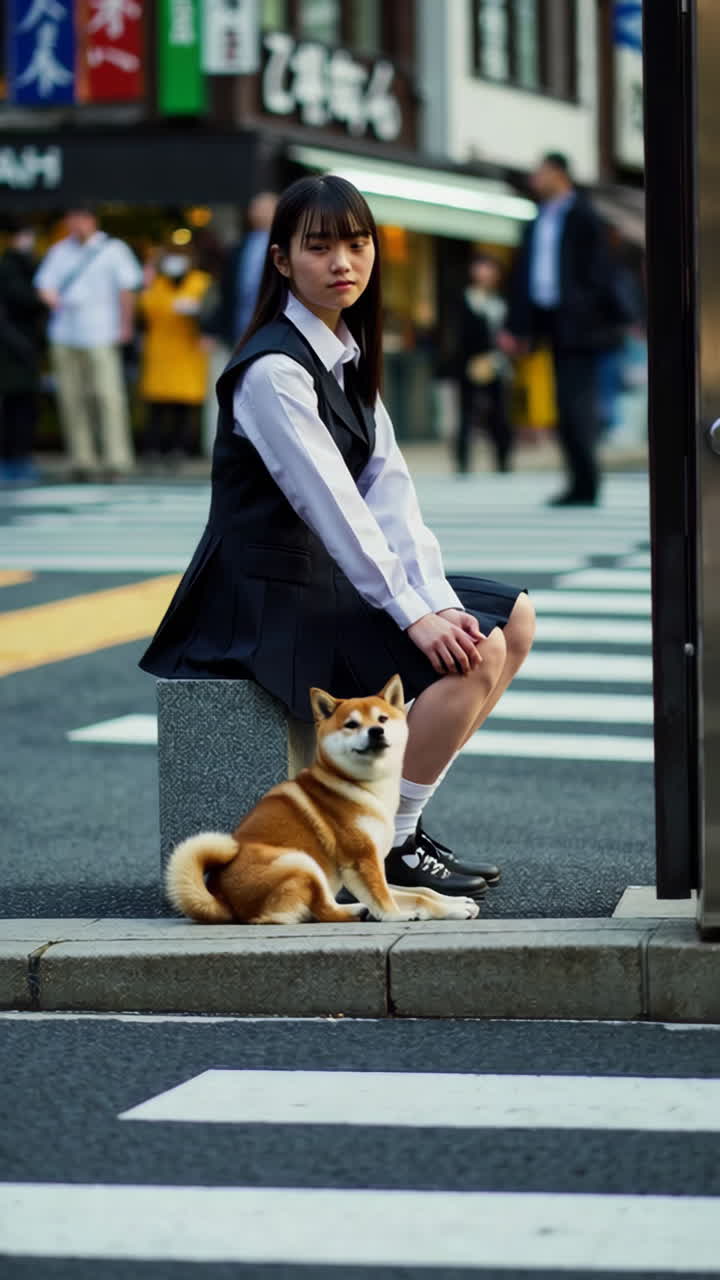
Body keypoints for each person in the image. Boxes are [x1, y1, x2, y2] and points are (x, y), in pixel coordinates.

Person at [140, 176, 536, 896]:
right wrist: (412, 616)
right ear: (283, 260)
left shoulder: (344, 351)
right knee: (474, 658)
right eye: (319, 248)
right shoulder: (273, 369)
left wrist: (435, 598)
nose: (342, 262)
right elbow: (332, 507)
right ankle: (395, 841)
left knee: (509, 619)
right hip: (267, 604)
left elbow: (390, 493)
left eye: (356, 245)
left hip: (326, 582)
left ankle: (397, 826)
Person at [501, 152, 633, 506]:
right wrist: (517, 326)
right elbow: (523, 276)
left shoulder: (584, 216)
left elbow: (598, 272)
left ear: (559, 173)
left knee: (577, 405)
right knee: (563, 403)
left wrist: (586, 309)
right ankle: (579, 482)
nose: (534, 180)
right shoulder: (537, 220)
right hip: (548, 322)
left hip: (581, 326)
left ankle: (586, 483)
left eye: (540, 172)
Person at [34, 206, 143, 481]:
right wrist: (52, 298)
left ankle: (117, 460)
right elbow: (44, 284)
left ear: (92, 220)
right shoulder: (60, 250)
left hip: (101, 332)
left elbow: (127, 289)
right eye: (71, 218)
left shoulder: (113, 249)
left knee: (108, 397)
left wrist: (126, 325)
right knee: (72, 398)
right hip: (64, 333)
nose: (76, 224)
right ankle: (82, 459)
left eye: (80, 218)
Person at [138, 250, 212, 464]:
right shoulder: (155, 283)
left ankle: (181, 449)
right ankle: (153, 449)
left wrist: (201, 317)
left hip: (188, 349)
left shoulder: (201, 282)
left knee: (184, 404)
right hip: (160, 350)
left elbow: (212, 310)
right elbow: (143, 310)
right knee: (157, 405)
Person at [455, 252, 513, 474]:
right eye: (480, 267)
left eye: (489, 267)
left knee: (499, 414)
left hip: (497, 363)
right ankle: (463, 462)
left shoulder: (501, 300)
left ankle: (503, 461)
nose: (484, 272)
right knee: (466, 415)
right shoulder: (466, 298)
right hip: (470, 364)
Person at [0, 217, 46, 485]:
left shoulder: (32, 265)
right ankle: (11, 460)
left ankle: (21, 458)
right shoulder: (8, 268)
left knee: (25, 405)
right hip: (11, 347)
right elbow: (25, 299)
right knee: (14, 406)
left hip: (26, 347)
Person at [201, 192, 278, 350]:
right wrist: (213, 328)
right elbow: (227, 291)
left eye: (265, 208)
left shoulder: (289, 246)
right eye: (256, 208)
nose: (259, 212)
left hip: (273, 329)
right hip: (239, 329)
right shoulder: (240, 247)